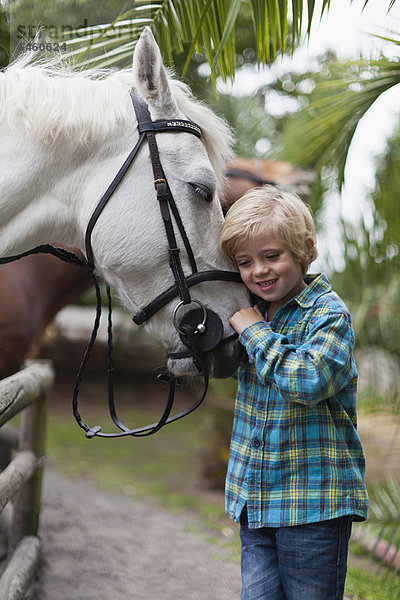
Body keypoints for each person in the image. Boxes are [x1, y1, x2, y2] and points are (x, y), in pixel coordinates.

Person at [219, 185, 368, 600]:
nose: (258, 271)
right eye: (245, 262)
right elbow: (230, 372)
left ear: (305, 250)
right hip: (256, 499)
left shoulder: (328, 315)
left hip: (313, 506)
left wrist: (254, 332)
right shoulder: (254, 311)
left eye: (271, 256)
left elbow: (307, 380)